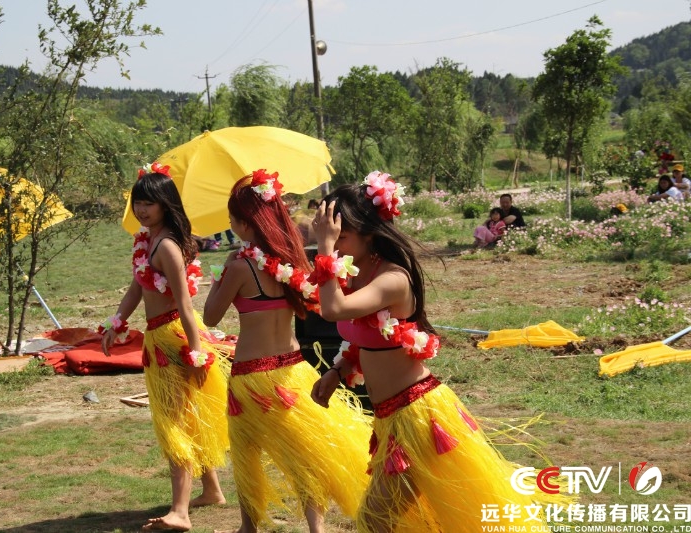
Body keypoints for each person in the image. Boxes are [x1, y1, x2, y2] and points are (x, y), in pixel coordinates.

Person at [310, 171, 572, 533]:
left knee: (374, 520)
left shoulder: (392, 279)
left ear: (369, 233)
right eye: (330, 234)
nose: (335, 243)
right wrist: (338, 371)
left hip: (418, 417)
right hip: (390, 417)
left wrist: (325, 249)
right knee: (413, 521)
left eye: (342, 235)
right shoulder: (356, 274)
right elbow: (370, 335)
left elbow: (333, 310)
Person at [204, 169, 371, 533]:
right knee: (303, 452)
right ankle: (316, 528)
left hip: (252, 374)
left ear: (245, 224)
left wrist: (219, 276)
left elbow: (210, 316)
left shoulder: (239, 267)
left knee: (247, 450)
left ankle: (248, 527)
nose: (231, 226)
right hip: (294, 369)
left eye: (232, 220)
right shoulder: (291, 261)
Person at [100, 162, 230, 532]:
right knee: (187, 416)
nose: (142, 210)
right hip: (157, 337)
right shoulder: (148, 239)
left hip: (174, 339)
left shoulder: (168, 246)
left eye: (149, 203)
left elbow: (186, 306)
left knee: (174, 421)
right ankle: (212, 490)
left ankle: (180, 512)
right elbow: (137, 287)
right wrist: (116, 322)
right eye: (138, 202)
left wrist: (196, 354)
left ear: (165, 204)